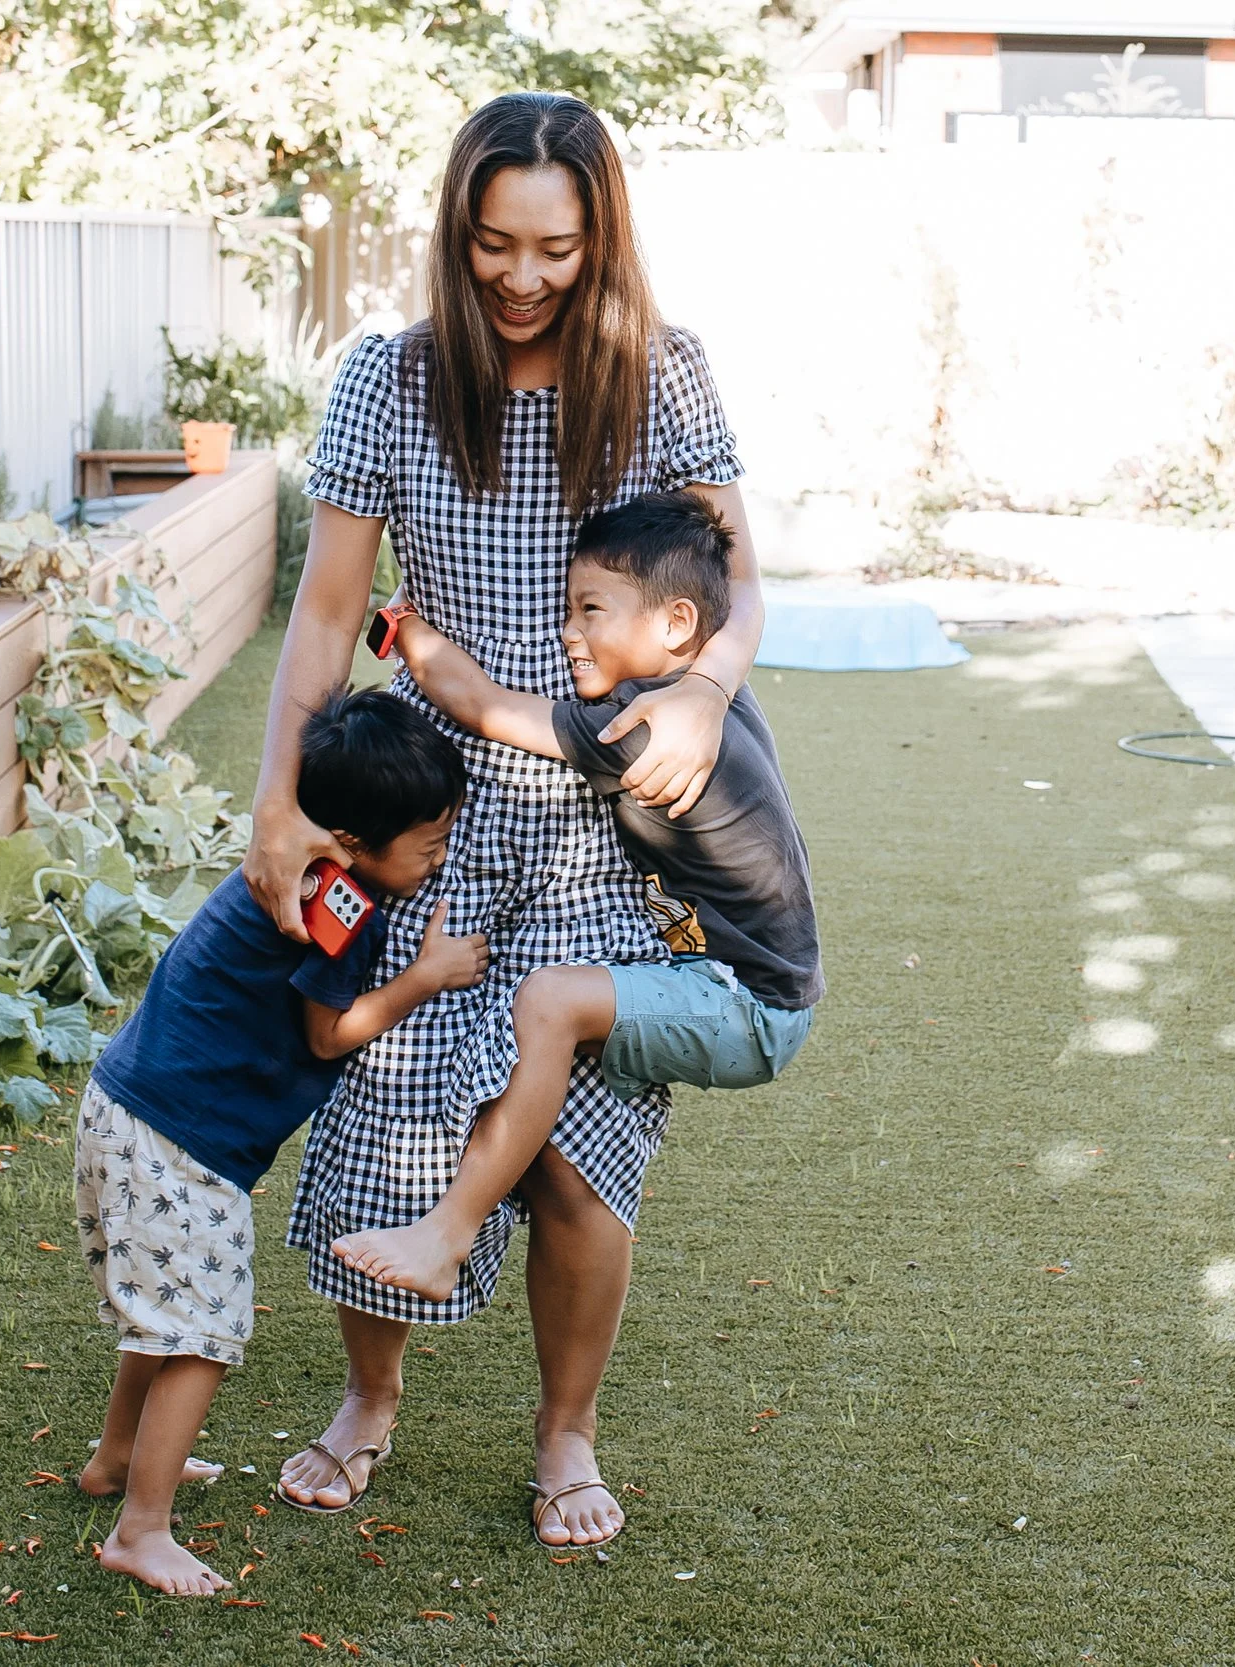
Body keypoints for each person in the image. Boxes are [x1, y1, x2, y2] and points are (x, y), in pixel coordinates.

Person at [245, 91, 764, 1549]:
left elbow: (741, 583)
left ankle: (565, 1430)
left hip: (612, 827)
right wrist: (282, 798)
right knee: (385, 1107)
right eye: (493, 243)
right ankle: (370, 1395)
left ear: (602, 238)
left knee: (581, 1145)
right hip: (434, 816)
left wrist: (703, 693)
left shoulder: (663, 371)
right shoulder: (389, 378)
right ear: (454, 233)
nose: (524, 277)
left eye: (556, 247)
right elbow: (329, 610)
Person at [334, 491, 820, 1319]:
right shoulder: (717, 697)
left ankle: (448, 1232)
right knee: (552, 1017)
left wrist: (401, 622)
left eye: (590, 610)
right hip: (746, 981)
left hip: (747, 1004)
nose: (567, 632)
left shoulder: (631, 726)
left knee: (549, 1001)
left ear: (676, 623)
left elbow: (477, 702)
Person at [74, 689, 486, 1595]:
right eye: (428, 843)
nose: (440, 854)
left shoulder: (297, 863)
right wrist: (427, 976)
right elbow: (328, 1036)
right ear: (356, 839)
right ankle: (141, 1529)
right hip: (177, 1140)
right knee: (202, 1334)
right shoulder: (342, 901)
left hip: (130, 1106)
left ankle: (117, 1457)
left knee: (169, 1314)